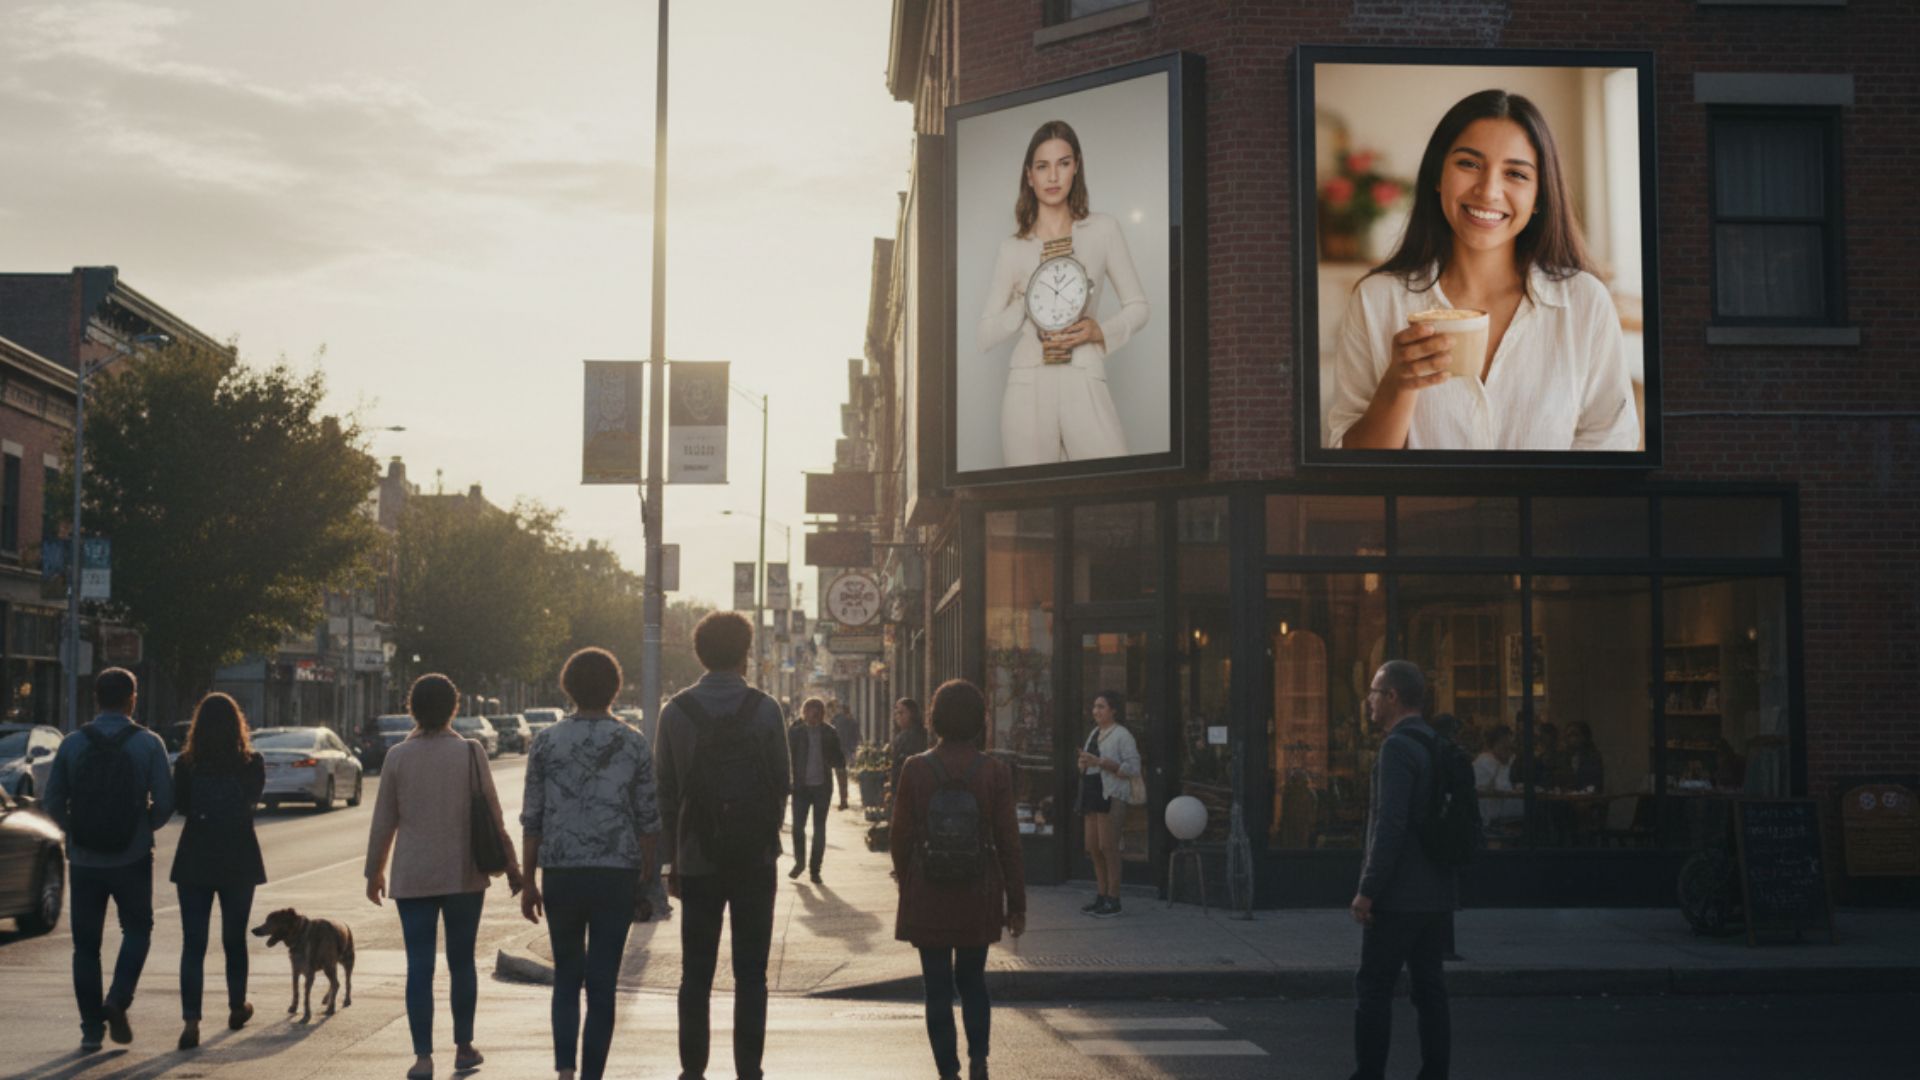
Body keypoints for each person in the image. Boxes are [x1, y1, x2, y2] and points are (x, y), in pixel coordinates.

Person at [1328, 89, 1638, 452]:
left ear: (1539, 195)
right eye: (1469, 164)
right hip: (1418, 511)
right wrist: (1398, 384)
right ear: (1437, 176)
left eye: (1516, 174)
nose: (1488, 191)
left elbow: (1611, 445)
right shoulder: (1376, 299)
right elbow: (1350, 471)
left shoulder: (1585, 301)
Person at [655, 611, 791, 1080]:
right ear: (745, 653)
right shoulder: (766, 708)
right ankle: (748, 1069)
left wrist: (671, 860)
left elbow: (665, 792)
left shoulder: (675, 711)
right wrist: (761, 831)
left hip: (696, 858)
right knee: (751, 973)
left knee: (696, 972)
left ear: (700, 653)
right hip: (755, 858)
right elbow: (782, 782)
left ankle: (693, 1069)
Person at [365, 674, 522, 1080]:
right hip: (463, 874)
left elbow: (384, 822)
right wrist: (512, 865)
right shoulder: (470, 752)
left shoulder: (398, 757)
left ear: (411, 708)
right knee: (461, 962)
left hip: (413, 876)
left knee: (419, 966)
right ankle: (464, 1047)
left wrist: (374, 872)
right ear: (455, 707)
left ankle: (422, 1057)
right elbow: (493, 814)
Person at [518, 648, 661, 1080]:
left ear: (568, 687)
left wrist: (529, 882)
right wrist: (647, 878)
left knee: (566, 977)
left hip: (561, 873)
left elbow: (532, 817)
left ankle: (564, 1070)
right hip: (615, 874)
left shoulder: (546, 741)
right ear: (615, 688)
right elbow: (649, 820)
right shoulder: (633, 743)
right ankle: (591, 1076)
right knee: (602, 983)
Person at [978, 118, 1151, 467]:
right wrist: (1025, 305)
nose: (1053, 177)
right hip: (1027, 382)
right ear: (1029, 175)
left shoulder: (1103, 230)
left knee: (1111, 490)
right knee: (1033, 509)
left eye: (1063, 164)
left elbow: (1139, 307)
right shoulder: (1013, 248)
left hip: (1083, 370)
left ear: (1077, 167)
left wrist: (1099, 330)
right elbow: (985, 335)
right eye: (1043, 166)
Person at [891, 679, 1027, 1080]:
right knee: (973, 981)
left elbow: (899, 837)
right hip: (977, 890)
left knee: (936, 988)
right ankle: (979, 1061)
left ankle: (947, 1071)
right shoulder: (993, 771)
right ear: (977, 721)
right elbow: (1009, 843)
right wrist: (1015, 903)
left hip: (928, 890)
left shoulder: (915, 768)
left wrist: (907, 880)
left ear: (934, 718)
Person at [41, 667, 173, 1052]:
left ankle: (90, 1030)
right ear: (133, 698)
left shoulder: (72, 744)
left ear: (95, 698)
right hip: (131, 858)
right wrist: (141, 827)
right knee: (137, 930)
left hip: (84, 861)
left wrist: (76, 830)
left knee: (86, 945)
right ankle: (117, 999)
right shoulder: (148, 744)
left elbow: (52, 801)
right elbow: (165, 803)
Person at [1349, 660, 1454, 1080]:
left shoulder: (1396, 747)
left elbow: (1389, 827)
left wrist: (1367, 889)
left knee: (1373, 989)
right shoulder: (1435, 742)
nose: (1368, 700)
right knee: (1430, 991)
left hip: (1397, 896)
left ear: (1392, 697)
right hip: (1436, 892)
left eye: (1374, 692)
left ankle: (1368, 1074)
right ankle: (1435, 1073)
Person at [170, 693, 266, 1050]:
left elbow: (180, 805)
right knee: (233, 938)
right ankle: (237, 1006)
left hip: (195, 856)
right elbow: (254, 800)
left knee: (193, 943)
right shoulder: (251, 762)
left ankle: (191, 1021)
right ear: (237, 724)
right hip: (238, 857)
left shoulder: (186, 763)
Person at [1075, 690, 1141, 918]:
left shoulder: (1122, 735)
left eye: (1101, 707)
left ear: (1114, 710)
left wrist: (1102, 762)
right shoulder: (1094, 732)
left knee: (1108, 847)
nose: (1096, 711)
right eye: (1095, 706)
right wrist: (1083, 762)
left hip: (1112, 794)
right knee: (1093, 846)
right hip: (1092, 793)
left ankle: (1114, 898)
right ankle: (1101, 895)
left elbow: (1133, 767)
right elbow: (1086, 764)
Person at [787, 697, 849, 884]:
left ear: (822, 715)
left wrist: (843, 796)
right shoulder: (795, 733)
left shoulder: (830, 733)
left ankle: (815, 869)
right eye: (809, 713)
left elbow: (840, 763)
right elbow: (787, 760)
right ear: (803, 713)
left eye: (817, 713)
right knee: (798, 828)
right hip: (801, 788)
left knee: (819, 829)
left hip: (822, 788)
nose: (813, 717)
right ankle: (800, 863)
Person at [1472, 724, 1522, 827]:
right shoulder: (1484, 761)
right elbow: (1485, 789)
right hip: (1492, 815)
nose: (1507, 748)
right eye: (1503, 743)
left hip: (1514, 813)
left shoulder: (1512, 762)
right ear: (1494, 743)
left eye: (1509, 745)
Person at [887, 697, 928, 809]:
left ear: (913, 714)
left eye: (901, 713)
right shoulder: (901, 736)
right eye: (896, 713)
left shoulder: (918, 735)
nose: (897, 717)